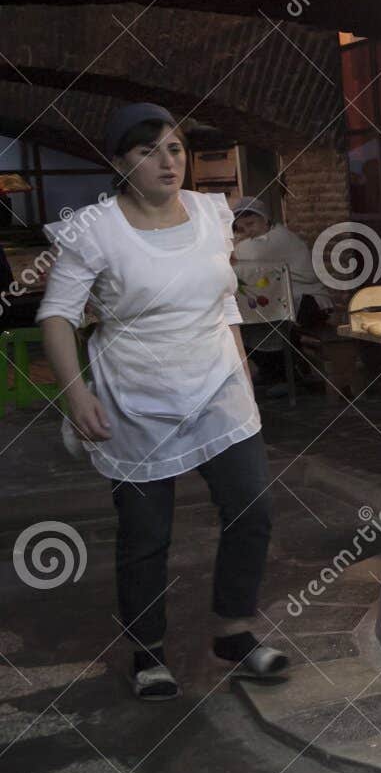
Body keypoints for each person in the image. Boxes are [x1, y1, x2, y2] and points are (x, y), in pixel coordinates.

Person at [37, 103, 289, 700]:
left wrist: (242, 369)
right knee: (146, 533)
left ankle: (232, 629)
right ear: (121, 163)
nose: (167, 161)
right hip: (137, 395)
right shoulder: (95, 229)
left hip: (218, 382)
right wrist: (76, 396)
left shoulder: (211, 213)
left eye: (174, 148)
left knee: (251, 510)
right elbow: (57, 315)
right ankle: (148, 651)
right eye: (148, 151)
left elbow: (224, 298)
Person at [229, 196, 331, 386]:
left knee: (258, 321)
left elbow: (245, 254)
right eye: (242, 228)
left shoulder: (277, 239)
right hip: (283, 297)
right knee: (249, 321)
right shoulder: (262, 238)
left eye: (251, 224)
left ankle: (285, 375)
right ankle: (277, 373)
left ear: (265, 220)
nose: (248, 232)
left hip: (310, 302)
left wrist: (236, 242)